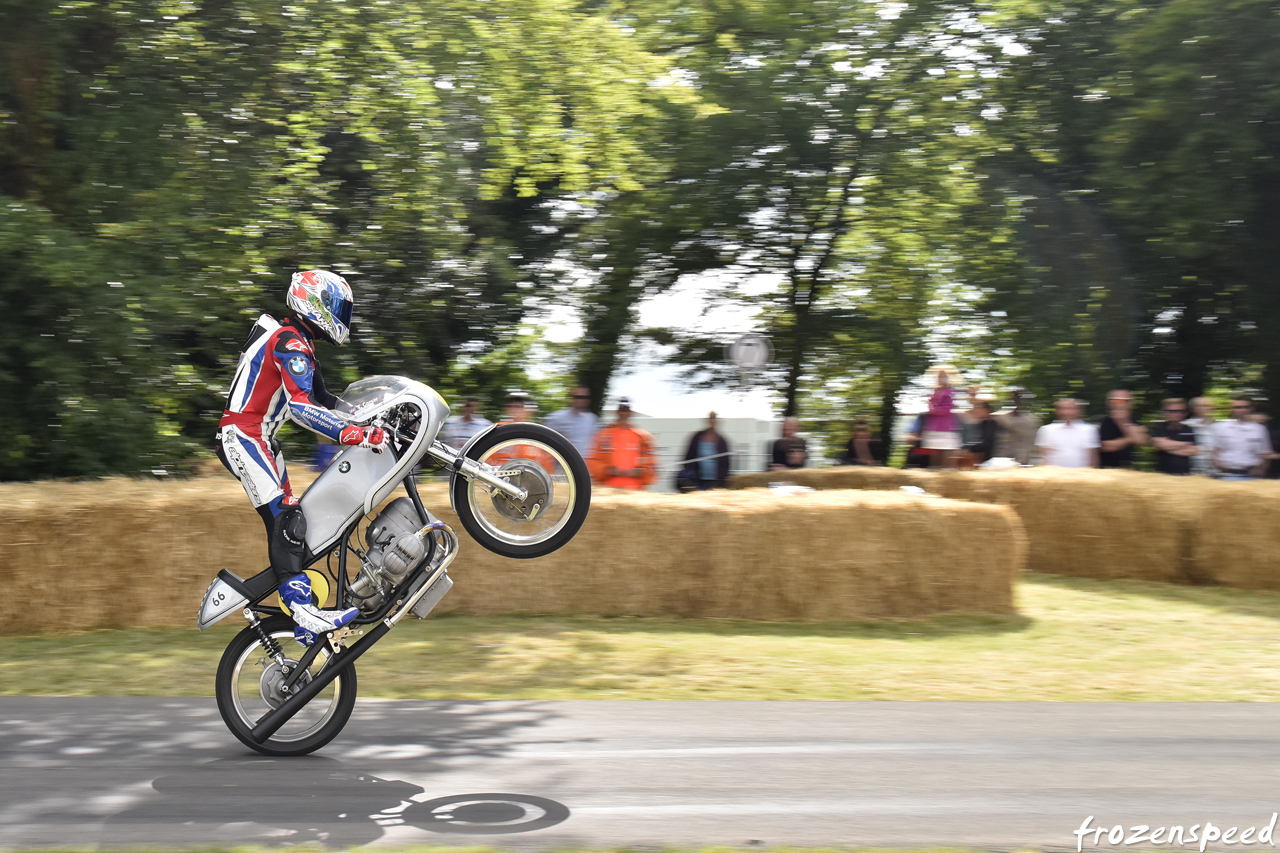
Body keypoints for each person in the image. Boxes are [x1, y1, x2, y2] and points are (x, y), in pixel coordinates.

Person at [217, 270, 380, 645]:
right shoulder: (289, 342)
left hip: (260, 439)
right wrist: (350, 433)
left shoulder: (298, 342)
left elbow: (325, 401)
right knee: (287, 522)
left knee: (295, 523)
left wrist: (371, 417)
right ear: (315, 302)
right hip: (244, 435)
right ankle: (303, 612)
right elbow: (303, 408)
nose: (342, 317)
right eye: (337, 307)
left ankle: (302, 614)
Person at [588, 397, 657, 489]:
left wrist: (640, 471)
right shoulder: (603, 436)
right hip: (607, 490)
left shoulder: (643, 437)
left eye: (626, 409)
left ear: (631, 413)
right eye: (621, 408)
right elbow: (592, 462)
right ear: (617, 411)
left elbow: (652, 467)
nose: (623, 412)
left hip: (635, 492)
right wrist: (608, 470)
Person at [1212, 397, 1274, 479]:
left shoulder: (1260, 429)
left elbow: (1265, 454)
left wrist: (1261, 470)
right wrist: (1219, 466)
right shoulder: (1220, 427)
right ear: (1232, 409)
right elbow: (1214, 452)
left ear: (1251, 409)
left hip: (1252, 475)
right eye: (1237, 407)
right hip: (1227, 475)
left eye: (1245, 407)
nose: (1241, 410)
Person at [1034, 398, 1100, 468]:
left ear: (1079, 411)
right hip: (1053, 475)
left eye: (1071, 409)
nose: (1066, 412)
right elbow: (1043, 456)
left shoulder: (1090, 430)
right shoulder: (1046, 430)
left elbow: (1093, 457)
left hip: (1082, 475)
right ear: (1057, 411)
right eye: (1063, 408)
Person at [542, 385, 599, 459]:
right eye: (577, 397)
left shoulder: (592, 419)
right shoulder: (557, 418)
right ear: (571, 398)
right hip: (564, 466)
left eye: (584, 397)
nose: (581, 400)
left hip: (586, 467)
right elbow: (545, 442)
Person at [921, 366, 961, 468]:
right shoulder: (934, 391)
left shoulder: (951, 392)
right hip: (934, 426)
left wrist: (935, 409)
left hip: (946, 427)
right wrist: (933, 408)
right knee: (934, 457)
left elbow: (948, 407)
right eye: (939, 376)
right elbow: (930, 405)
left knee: (946, 456)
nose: (941, 379)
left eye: (943, 376)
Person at [1098, 389, 1147, 469]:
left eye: (1124, 400)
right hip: (1107, 468)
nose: (1119, 404)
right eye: (1115, 400)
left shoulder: (1133, 420)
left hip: (1127, 467)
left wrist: (1122, 423)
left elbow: (1141, 441)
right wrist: (1130, 439)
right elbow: (1105, 446)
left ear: (1130, 403)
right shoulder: (1105, 421)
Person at [681, 411, 731, 490]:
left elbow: (726, 462)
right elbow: (689, 456)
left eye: (714, 419)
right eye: (711, 419)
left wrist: (722, 478)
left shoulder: (722, 440)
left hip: (716, 480)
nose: (712, 421)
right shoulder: (697, 437)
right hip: (698, 479)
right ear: (707, 420)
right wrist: (690, 473)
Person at [1150, 398, 1198, 475]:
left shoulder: (1188, 428)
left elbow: (1193, 450)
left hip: (1185, 474)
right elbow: (1162, 445)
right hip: (1163, 473)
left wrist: (1168, 448)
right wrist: (1184, 444)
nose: (1177, 414)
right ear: (1165, 412)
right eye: (1173, 411)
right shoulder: (1159, 427)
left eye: (1181, 411)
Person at [994, 389, 1040, 464]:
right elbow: (999, 441)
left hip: (1022, 459)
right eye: (1015, 399)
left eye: (1019, 399)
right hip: (1003, 459)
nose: (1017, 401)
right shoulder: (1002, 419)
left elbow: (1031, 442)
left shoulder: (1031, 421)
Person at [1185, 396, 1217, 477]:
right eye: (1199, 406)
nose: (1203, 408)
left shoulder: (1218, 426)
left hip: (1216, 472)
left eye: (1206, 405)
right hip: (1192, 472)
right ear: (1192, 409)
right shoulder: (1185, 426)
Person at [963, 400, 999, 465]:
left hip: (987, 461)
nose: (974, 410)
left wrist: (968, 449)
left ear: (986, 410)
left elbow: (987, 443)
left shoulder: (989, 423)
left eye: (977, 407)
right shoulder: (982, 423)